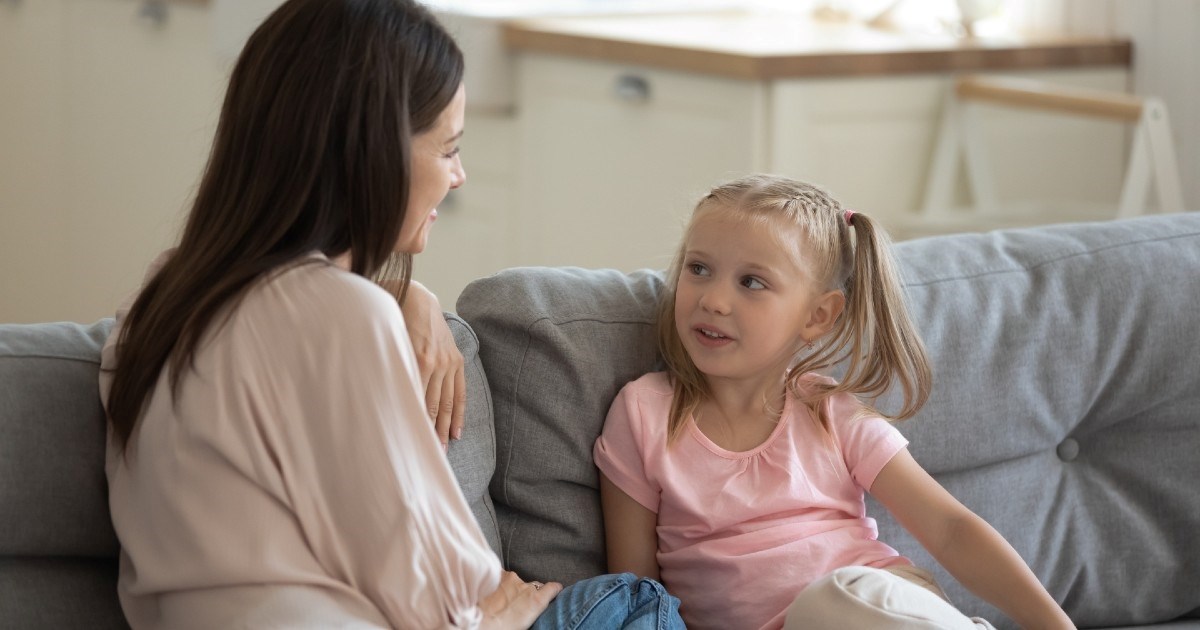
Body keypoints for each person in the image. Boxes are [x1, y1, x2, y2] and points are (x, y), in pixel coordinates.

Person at [100, 0, 682, 628]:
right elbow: (442, 588)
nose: (458, 177)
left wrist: (404, 294)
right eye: (449, 148)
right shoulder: (341, 316)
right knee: (634, 606)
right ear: (372, 153)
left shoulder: (159, 301)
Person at [594, 174, 1076, 630]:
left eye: (752, 282)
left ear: (817, 315)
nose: (713, 299)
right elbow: (637, 594)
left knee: (832, 599)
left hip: (869, 604)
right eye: (698, 269)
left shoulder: (829, 411)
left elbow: (951, 530)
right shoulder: (642, 414)